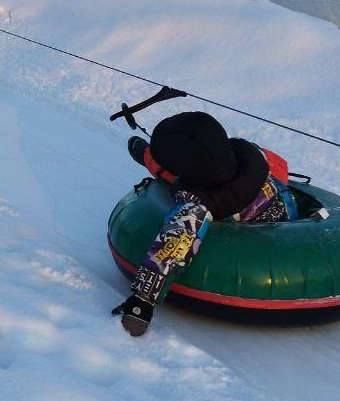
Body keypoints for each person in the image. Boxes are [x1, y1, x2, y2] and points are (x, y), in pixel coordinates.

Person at [112, 111, 297, 336]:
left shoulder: (196, 205)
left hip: (255, 242)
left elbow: (171, 249)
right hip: (284, 207)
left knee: (178, 187)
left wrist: (140, 303)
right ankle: (145, 154)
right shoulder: (250, 153)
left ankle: (149, 155)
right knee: (194, 164)